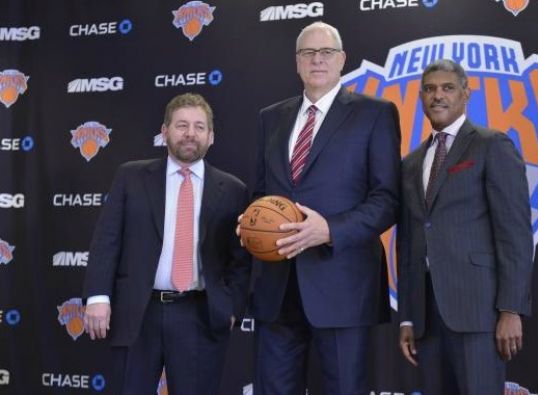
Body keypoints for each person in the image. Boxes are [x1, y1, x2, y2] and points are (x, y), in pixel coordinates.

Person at [247, 21, 401, 394]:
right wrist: (251, 222)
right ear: (297, 62)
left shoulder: (375, 114)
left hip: (343, 286)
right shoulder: (271, 117)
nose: (317, 60)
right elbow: (262, 192)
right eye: (307, 53)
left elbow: (388, 200)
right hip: (277, 289)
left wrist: (330, 230)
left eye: (326, 52)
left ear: (342, 59)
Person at [82, 93, 250, 395]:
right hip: (137, 314)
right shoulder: (130, 177)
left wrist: (232, 307)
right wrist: (97, 297)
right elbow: (106, 241)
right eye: (181, 125)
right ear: (164, 132)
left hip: (200, 316)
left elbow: (241, 259)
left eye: (199, 127)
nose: (190, 134)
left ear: (211, 137)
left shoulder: (234, 190)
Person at [397, 59, 534, 394]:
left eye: (447, 88)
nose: (437, 96)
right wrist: (408, 316)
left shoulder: (491, 145)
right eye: (429, 89)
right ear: (421, 97)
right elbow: (409, 243)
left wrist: (511, 308)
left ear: (465, 94)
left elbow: (514, 234)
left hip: (479, 312)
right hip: (427, 318)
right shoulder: (411, 162)